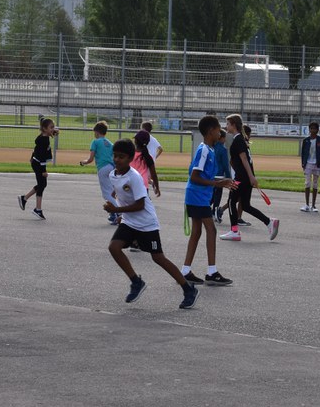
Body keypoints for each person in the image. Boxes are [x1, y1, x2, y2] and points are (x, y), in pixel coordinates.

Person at [104, 138, 199, 310]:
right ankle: (136, 281)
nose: (117, 160)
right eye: (115, 156)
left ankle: (188, 289)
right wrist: (121, 212)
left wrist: (116, 210)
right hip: (129, 221)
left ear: (130, 158)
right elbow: (119, 191)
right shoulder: (113, 174)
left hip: (146, 223)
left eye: (122, 157)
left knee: (158, 258)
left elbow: (140, 204)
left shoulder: (134, 177)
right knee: (114, 247)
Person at [180, 115, 236, 286]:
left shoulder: (210, 149)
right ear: (211, 131)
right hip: (197, 195)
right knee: (211, 230)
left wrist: (221, 182)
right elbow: (194, 176)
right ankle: (212, 272)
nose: (221, 131)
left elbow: (203, 176)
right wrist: (217, 183)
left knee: (197, 232)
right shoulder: (204, 150)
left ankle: (185, 271)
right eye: (219, 128)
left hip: (200, 196)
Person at [220, 114, 278, 242]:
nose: (226, 126)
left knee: (231, 201)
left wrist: (251, 176)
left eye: (228, 124)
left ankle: (234, 231)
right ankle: (269, 222)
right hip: (245, 177)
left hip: (242, 177)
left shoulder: (238, 140)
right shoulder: (241, 139)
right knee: (245, 205)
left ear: (234, 125)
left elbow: (244, 159)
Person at [18, 118, 58, 220]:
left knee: (42, 184)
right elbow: (42, 156)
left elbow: (36, 149)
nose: (53, 129)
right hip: (39, 164)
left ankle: (25, 199)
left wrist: (32, 157)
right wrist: (44, 170)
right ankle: (37, 209)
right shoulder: (44, 140)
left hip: (36, 162)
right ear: (44, 129)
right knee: (42, 184)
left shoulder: (42, 137)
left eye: (53, 127)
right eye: (51, 127)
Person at [80, 121, 117, 224]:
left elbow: (90, 159)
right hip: (111, 167)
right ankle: (113, 213)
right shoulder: (110, 143)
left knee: (106, 194)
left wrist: (84, 162)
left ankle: (119, 212)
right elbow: (113, 157)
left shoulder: (95, 142)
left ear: (96, 132)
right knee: (111, 192)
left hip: (103, 168)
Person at [300, 121, 320, 212]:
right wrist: (303, 164)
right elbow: (303, 153)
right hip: (308, 163)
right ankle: (307, 204)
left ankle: (314, 205)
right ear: (309, 129)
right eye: (311, 128)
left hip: (318, 164)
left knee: (315, 184)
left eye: (315, 128)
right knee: (307, 183)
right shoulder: (306, 140)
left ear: (317, 130)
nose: (313, 130)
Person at [210, 129, 231, 224]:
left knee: (212, 194)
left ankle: (205, 208)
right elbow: (226, 165)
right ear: (221, 138)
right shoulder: (223, 149)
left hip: (211, 175)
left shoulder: (212, 147)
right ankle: (215, 212)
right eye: (224, 138)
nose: (225, 140)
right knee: (218, 195)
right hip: (219, 175)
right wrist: (229, 177)